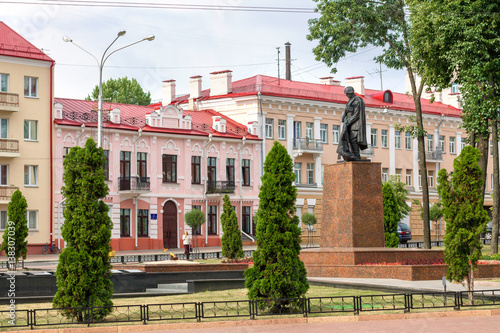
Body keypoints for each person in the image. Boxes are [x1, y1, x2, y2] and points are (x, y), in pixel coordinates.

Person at [337, 86, 368, 161]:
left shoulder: (357, 101)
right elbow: (347, 112)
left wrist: (348, 121)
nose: (347, 95)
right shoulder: (350, 101)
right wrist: (344, 119)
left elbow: (357, 114)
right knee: (350, 140)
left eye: (348, 93)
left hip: (356, 125)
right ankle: (353, 155)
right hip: (350, 125)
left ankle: (356, 156)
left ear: (351, 93)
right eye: (346, 94)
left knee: (354, 140)